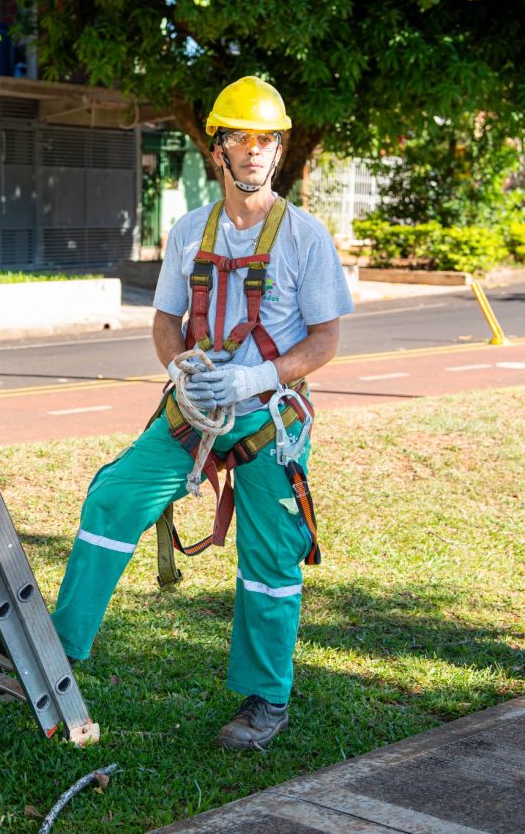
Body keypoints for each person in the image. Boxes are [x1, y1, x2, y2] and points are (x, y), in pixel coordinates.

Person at [51, 76, 354, 750]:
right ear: (218, 148)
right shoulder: (191, 231)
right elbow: (166, 321)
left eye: (266, 139)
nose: (255, 150)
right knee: (113, 498)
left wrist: (255, 376)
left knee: (270, 560)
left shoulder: (305, 238)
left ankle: (264, 700)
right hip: (192, 411)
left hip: (269, 419)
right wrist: (178, 368)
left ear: (279, 149)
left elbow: (324, 341)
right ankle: (59, 651)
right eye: (241, 137)